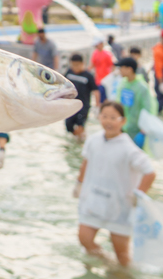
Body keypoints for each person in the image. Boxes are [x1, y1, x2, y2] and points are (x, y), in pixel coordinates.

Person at [76, 101, 157, 267]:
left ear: (123, 121)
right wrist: (79, 183)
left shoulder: (128, 148)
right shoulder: (93, 140)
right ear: (99, 117)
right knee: (84, 239)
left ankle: (124, 277)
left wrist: (138, 195)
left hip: (120, 206)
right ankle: (107, 262)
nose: (108, 121)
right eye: (105, 116)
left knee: (122, 255)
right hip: (94, 201)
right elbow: (86, 162)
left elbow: (150, 172)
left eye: (113, 118)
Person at [114, 57, 156, 148]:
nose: (119, 70)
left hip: (137, 129)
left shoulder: (142, 87)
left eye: (121, 68)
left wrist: (143, 130)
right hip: (122, 127)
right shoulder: (123, 84)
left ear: (129, 69)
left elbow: (148, 109)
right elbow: (118, 104)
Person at [64, 54, 96, 140]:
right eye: (73, 65)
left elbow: (95, 90)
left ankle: (81, 140)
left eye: (77, 65)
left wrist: (97, 104)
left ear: (82, 64)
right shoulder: (69, 73)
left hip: (83, 106)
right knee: (68, 125)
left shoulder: (88, 76)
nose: (75, 67)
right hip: (71, 105)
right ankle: (75, 139)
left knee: (80, 125)